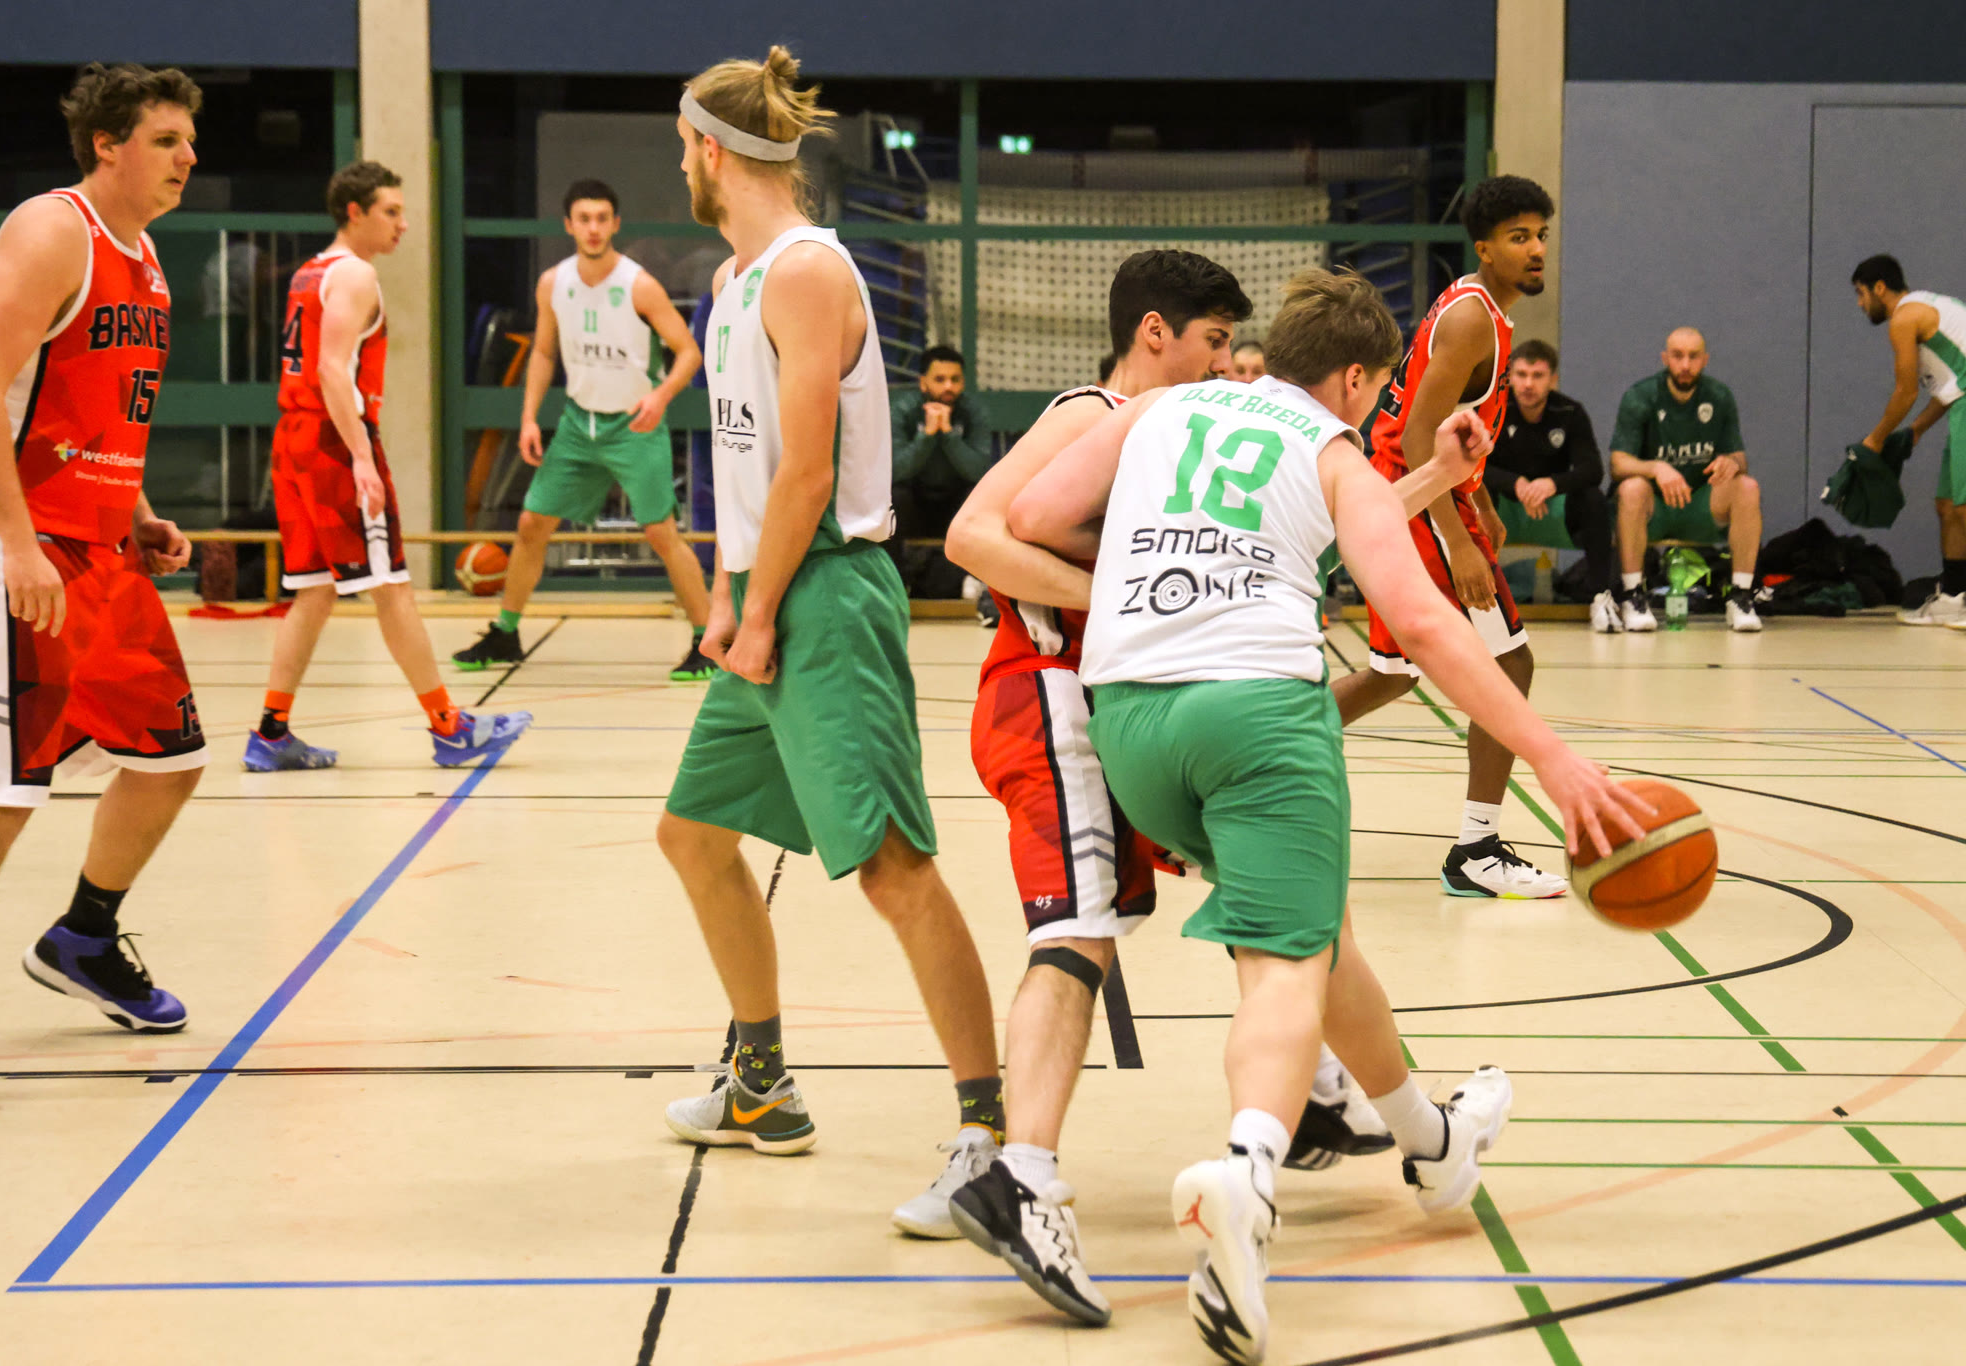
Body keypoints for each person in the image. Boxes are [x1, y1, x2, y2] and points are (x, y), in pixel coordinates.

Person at [1007, 268, 1647, 1362]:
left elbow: (1030, 517)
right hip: (1256, 714)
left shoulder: (1164, 409)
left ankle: (1431, 1143)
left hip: (1130, 722)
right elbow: (1424, 625)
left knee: (1323, 935)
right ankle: (1246, 1175)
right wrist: (1552, 759)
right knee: (1284, 964)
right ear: (1356, 380)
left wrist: (1181, 567)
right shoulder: (1333, 450)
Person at [943, 249, 1380, 1311]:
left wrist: (1426, 486)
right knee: (1079, 931)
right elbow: (971, 535)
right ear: (1155, 335)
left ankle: (1311, 1087)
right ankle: (1016, 1171)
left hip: (1130, 701)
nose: (1229, 364)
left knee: (1253, 866)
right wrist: (1120, 588)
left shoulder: (1185, 436)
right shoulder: (1092, 412)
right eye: (1215, 342)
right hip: (1051, 690)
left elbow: (1324, 521)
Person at [655, 50, 1005, 1231]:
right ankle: (759, 1081)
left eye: (681, 145)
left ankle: (988, 1138)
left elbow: (808, 468)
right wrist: (724, 597)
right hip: (765, 590)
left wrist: (757, 611)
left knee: (893, 868)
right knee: (693, 834)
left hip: (828, 593)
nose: (679, 162)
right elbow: (744, 462)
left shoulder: (807, 271)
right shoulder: (731, 280)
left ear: (712, 151)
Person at [0, 64, 213, 1113]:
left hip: (101, 549)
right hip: (13, 543)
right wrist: (17, 542)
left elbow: (97, 407)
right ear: (107, 144)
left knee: (170, 759)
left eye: (189, 141)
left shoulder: (145, 257)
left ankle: (82, 935)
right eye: (165, 139)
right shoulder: (50, 229)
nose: (187, 157)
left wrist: (139, 509)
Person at [244, 162, 533, 771]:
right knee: (393, 586)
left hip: (292, 439)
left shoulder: (309, 271)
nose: (403, 223)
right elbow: (331, 369)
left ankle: (270, 732)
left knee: (313, 593)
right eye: (391, 211)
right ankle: (450, 727)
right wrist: (360, 457)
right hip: (332, 440)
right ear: (355, 212)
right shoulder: (355, 274)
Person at [1330, 175, 1569, 900]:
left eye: (1541, 235)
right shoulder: (1473, 320)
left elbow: (1449, 427)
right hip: (1414, 499)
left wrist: (1481, 498)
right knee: (1510, 665)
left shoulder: (1478, 306)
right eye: (1519, 237)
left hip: (1409, 494)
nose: (1536, 249)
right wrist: (1458, 539)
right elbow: (1416, 438)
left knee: (1393, 673)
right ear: (1484, 248)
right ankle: (1477, 849)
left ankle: (1241, 758)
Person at [453, 179, 714, 677]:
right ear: (569, 225)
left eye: (601, 218)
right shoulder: (553, 283)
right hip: (578, 424)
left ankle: (706, 641)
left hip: (633, 426)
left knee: (661, 533)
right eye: (584, 219)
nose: (593, 228)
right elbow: (543, 352)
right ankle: (505, 633)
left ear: (615, 224)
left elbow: (688, 352)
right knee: (531, 525)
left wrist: (660, 396)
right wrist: (528, 418)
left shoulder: (639, 285)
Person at [1852, 254, 1966, 630]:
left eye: (1861, 293)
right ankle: (1954, 595)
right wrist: (1916, 430)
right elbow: (1951, 385)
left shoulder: (1904, 318)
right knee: (1948, 504)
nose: (1860, 304)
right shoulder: (1930, 304)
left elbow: (1905, 392)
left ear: (1880, 287)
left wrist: (1875, 439)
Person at [1608, 327, 1763, 632]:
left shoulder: (1719, 396)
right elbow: (1617, 463)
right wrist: (1656, 468)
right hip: (1655, 508)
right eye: (1677, 356)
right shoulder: (1641, 396)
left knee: (1747, 487)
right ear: (1665, 358)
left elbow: (1740, 459)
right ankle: (1633, 595)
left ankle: (1741, 597)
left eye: (1693, 357)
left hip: (1700, 504)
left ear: (1705, 360)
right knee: (1631, 488)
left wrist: (1731, 463)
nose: (1685, 365)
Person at [1482, 339, 1615, 628]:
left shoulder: (1569, 412)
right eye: (1521, 375)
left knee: (1593, 499)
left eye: (1538, 376)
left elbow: (1593, 469)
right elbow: (1475, 465)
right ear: (1510, 376)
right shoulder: (1494, 409)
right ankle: (1478, 600)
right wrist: (1516, 483)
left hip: (1552, 510)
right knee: (1474, 493)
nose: (1528, 384)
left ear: (1553, 379)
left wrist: (1551, 485)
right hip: (1504, 510)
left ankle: (1601, 597)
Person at [888, 343, 991, 599]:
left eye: (955, 379)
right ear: (923, 383)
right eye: (940, 379)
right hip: (915, 502)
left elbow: (979, 471)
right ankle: (895, 583)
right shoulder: (902, 410)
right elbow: (895, 470)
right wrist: (926, 436)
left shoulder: (973, 412)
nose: (948, 387)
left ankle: (974, 580)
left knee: (980, 494)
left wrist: (948, 434)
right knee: (893, 496)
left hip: (953, 504)